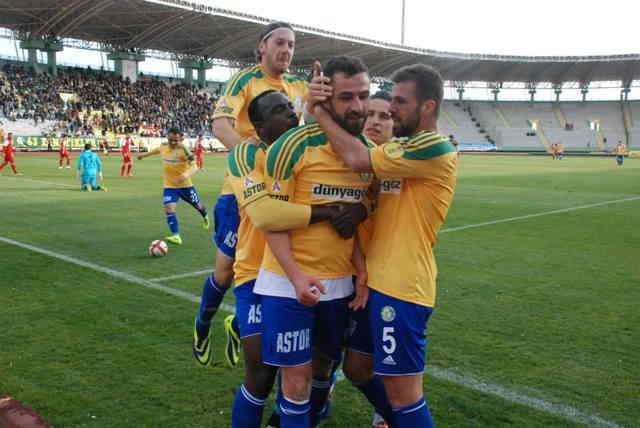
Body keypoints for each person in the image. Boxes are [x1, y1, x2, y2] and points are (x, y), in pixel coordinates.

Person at [310, 63, 458, 427]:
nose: (391, 109)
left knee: (404, 393)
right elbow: (374, 192)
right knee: (359, 368)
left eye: (400, 102)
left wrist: (317, 112)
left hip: (403, 288)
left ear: (428, 106)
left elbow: (360, 156)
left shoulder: (431, 147)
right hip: (376, 282)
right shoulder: (402, 152)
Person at [254, 56, 373, 427]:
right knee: (296, 380)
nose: (357, 106)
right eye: (346, 97)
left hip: (339, 285)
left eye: (363, 96)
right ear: (326, 98)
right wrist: (295, 276)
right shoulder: (291, 147)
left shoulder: (367, 151)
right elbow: (271, 221)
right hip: (287, 283)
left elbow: (376, 205)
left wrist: (363, 210)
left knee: (324, 368)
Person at [194, 21, 308, 371]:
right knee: (227, 272)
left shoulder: (299, 86)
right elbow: (221, 124)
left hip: (280, 193)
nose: (286, 50)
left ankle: (240, 325)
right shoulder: (245, 80)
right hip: (240, 193)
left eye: (291, 44)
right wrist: (251, 163)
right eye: (279, 43)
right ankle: (202, 325)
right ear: (262, 47)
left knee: (271, 271)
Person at [137, 127, 209, 245]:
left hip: (186, 186)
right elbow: (154, 151)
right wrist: (142, 156)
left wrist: (185, 175)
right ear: (168, 138)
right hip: (170, 186)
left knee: (198, 206)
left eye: (176, 140)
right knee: (169, 209)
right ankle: (176, 235)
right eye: (171, 140)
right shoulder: (163, 147)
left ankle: (205, 216)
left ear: (180, 139)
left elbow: (195, 166)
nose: (174, 143)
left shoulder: (184, 150)